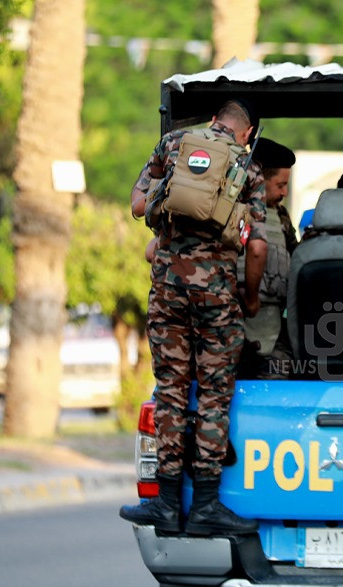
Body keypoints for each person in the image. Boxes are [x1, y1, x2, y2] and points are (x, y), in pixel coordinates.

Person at [120, 99, 268, 536]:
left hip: (167, 292)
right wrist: (250, 297)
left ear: (212, 122)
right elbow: (257, 246)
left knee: (170, 390)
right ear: (247, 132)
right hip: (217, 299)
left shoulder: (172, 144)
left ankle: (166, 504)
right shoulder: (249, 169)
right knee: (214, 396)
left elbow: (137, 205)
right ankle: (205, 504)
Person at [239, 138, 298, 377]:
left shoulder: (282, 218)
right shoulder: (233, 212)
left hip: (273, 331)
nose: (284, 192)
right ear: (261, 180)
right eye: (280, 185)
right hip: (236, 329)